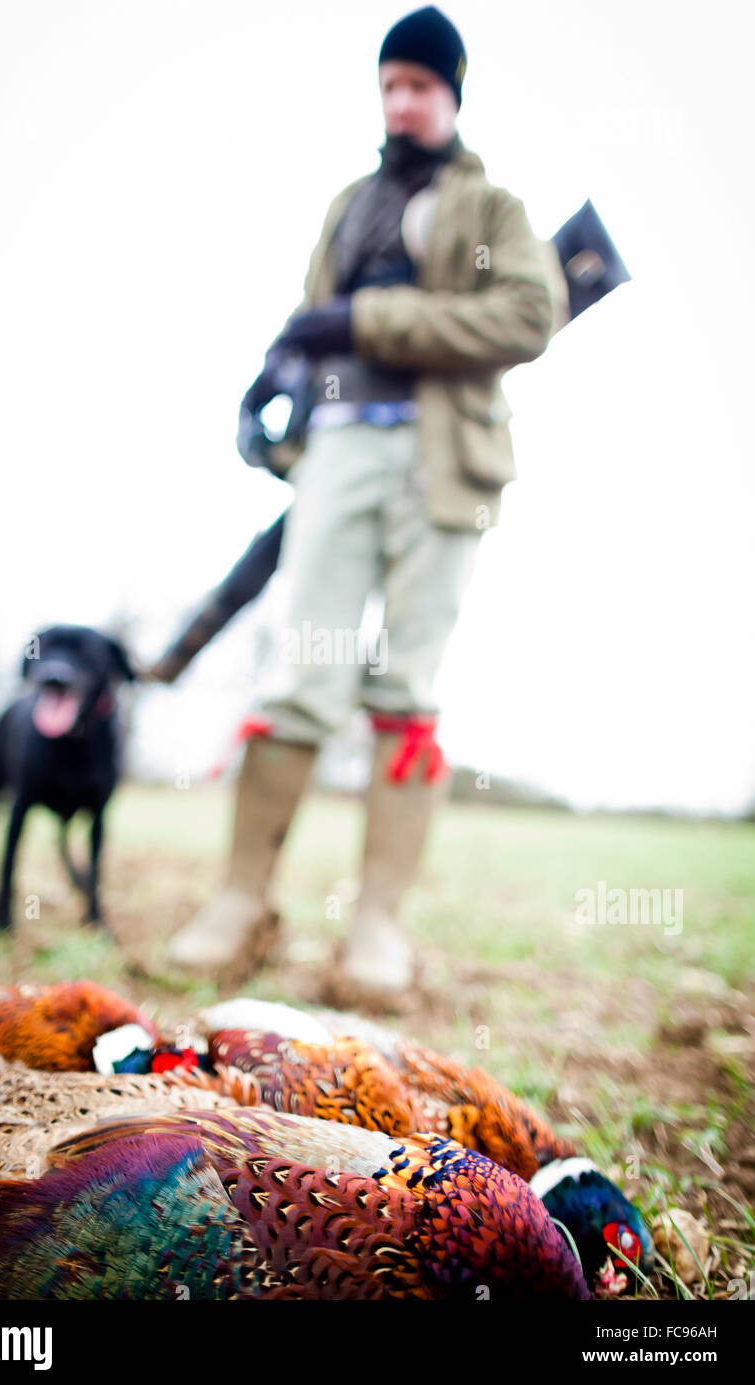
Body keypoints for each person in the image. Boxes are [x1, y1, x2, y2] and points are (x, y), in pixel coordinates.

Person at [163, 5, 555, 1006]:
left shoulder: (491, 208)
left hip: (441, 457)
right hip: (335, 450)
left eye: (419, 83)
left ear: (450, 95)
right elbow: (308, 321)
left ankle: (375, 922)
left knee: (405, 681)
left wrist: (367, 317)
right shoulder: (349, 203)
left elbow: (526, 312)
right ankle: (239, 901)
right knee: (301, 671)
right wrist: (269, 382)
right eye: (388, 83)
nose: (400, 99)